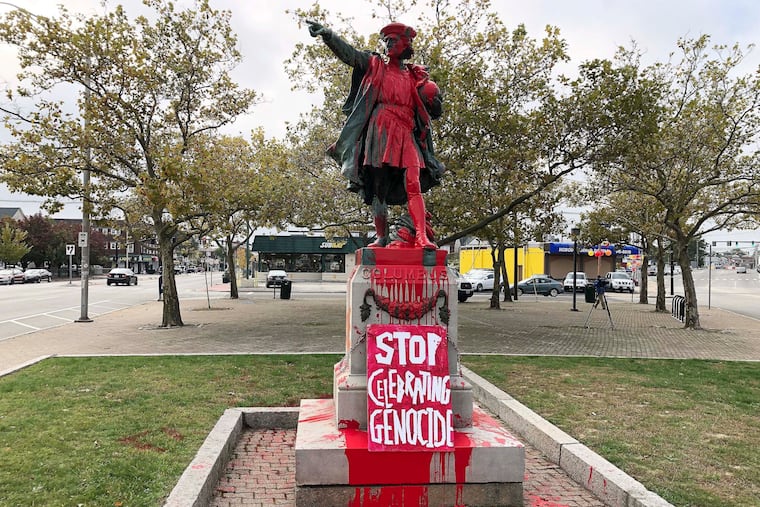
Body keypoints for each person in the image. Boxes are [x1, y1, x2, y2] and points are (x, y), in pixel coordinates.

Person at [306, 20, 445, 250]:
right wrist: (329, 36)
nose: (388, 44)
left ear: (405, 44)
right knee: (378, 187)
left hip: (405, 132)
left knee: (414, 182)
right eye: (386, 41)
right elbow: (350, 55)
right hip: (380, 131)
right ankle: (382, 237)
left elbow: (432, 108)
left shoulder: (415, 76)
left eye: (393, 40)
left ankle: (421, 236)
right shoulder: (375, 65)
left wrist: (435, 101)